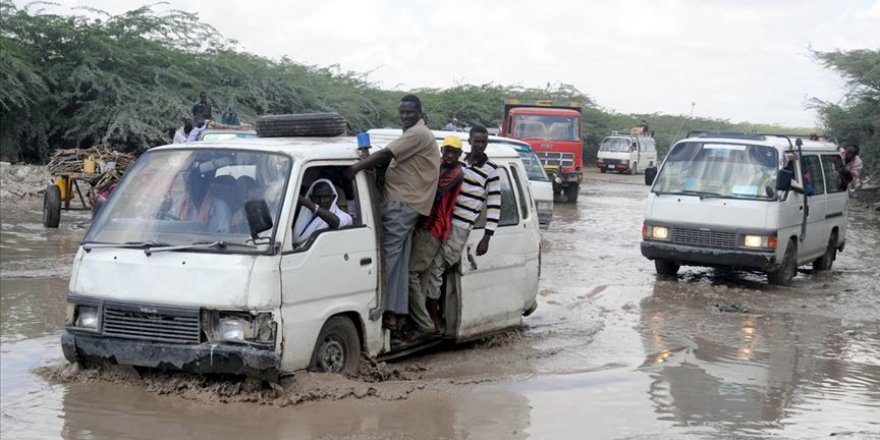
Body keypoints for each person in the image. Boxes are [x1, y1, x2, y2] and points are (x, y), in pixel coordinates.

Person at [343, 94, 440, 331]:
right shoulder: (415, 134)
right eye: (402, 112)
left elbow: (387, 155)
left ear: (419, 112)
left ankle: (378, 307)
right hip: (407, 204)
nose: (405, 116)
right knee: (398, 260)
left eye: (409, 112)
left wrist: (355, 168)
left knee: (385, 259)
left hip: (402, 204)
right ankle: (395, 313)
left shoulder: (418, 133)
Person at [426, 125, 500, 305]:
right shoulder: (459, 162)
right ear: (470, 142)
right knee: (428, 265)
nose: (480, 145)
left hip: (461, 226)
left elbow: (494, 204)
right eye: (477, 141)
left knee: (437, 267)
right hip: (443, 220)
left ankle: (433, 316)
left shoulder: (491, 170)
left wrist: (487, 237)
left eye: (484, 142)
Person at [407, 135, 464, 338]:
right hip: (424, 225)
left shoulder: (456, 172)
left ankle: (424, 324)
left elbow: (436, 190)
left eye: (453, 152)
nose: (449, 155)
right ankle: (418, 321)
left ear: (459, 155)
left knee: (410, 273)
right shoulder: (440, 165)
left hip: (433, 228)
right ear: (442, 151)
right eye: (446, 151)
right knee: (422, 276)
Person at [292, 179, 352, 247]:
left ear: (333, 197)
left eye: (325, 197)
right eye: (317, 197)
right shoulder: (305, 216)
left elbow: (336, 221)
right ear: (311, 198)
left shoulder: (344, 217)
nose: (322, 201)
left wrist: (308, 204)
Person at [176, 167, 232, 233]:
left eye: (195, 183)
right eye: (189, 184)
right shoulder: (182, 205)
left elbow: (224, 236)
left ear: (205, 185)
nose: (191, 188)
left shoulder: (221, 207)